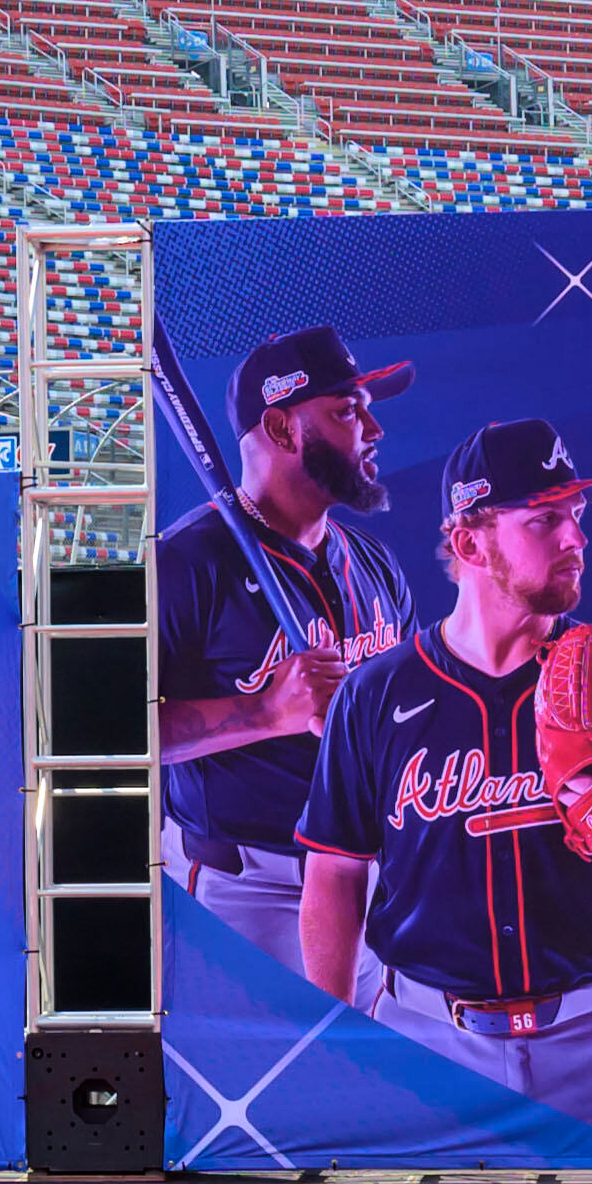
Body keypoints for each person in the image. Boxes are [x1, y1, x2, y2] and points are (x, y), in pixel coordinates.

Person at [294, 417, 592, 1137]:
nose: (575, 539)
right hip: (427, 1038)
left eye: (577, 518)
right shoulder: (378, 693)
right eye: (545, 519)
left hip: (591, 1036)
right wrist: (330, 1032)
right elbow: (334, 873)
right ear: (468, 542)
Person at [156, 323, 414, 980]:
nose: (372, 431)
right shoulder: (184, 564)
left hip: (370, 884)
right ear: (279, 429)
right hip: (245, 893)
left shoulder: (374, 565)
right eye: (346, 411)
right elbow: (99, 732)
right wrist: (265, 713)